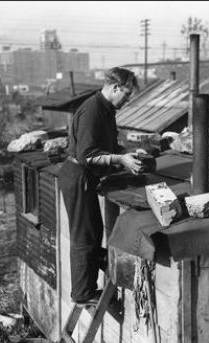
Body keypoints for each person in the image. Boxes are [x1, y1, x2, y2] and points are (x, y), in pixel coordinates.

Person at [58, 67, 143, 306]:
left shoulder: (107, 111)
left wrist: (128, 154)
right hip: (78, 175)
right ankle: (83, 294)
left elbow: (110, 146)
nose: (126, 101)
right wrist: (121, 161)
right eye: (126, 95)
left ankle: (91, 281)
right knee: (85, 236)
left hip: (85, 177)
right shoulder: (92, 110)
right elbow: (88, 155)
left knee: (92, 233)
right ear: (116, 88)